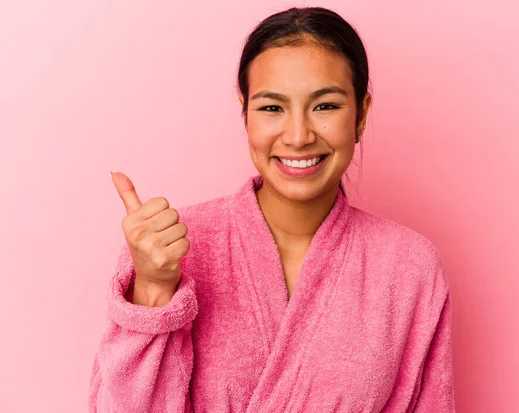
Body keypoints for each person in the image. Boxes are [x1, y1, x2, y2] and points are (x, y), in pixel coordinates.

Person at [89, 6, 455, 412]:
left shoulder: (408, 266)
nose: (298, 136)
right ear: (245, 112)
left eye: (325, 106)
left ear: (361, 113)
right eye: (272, 108)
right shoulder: (169, 248)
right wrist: (154, 289)